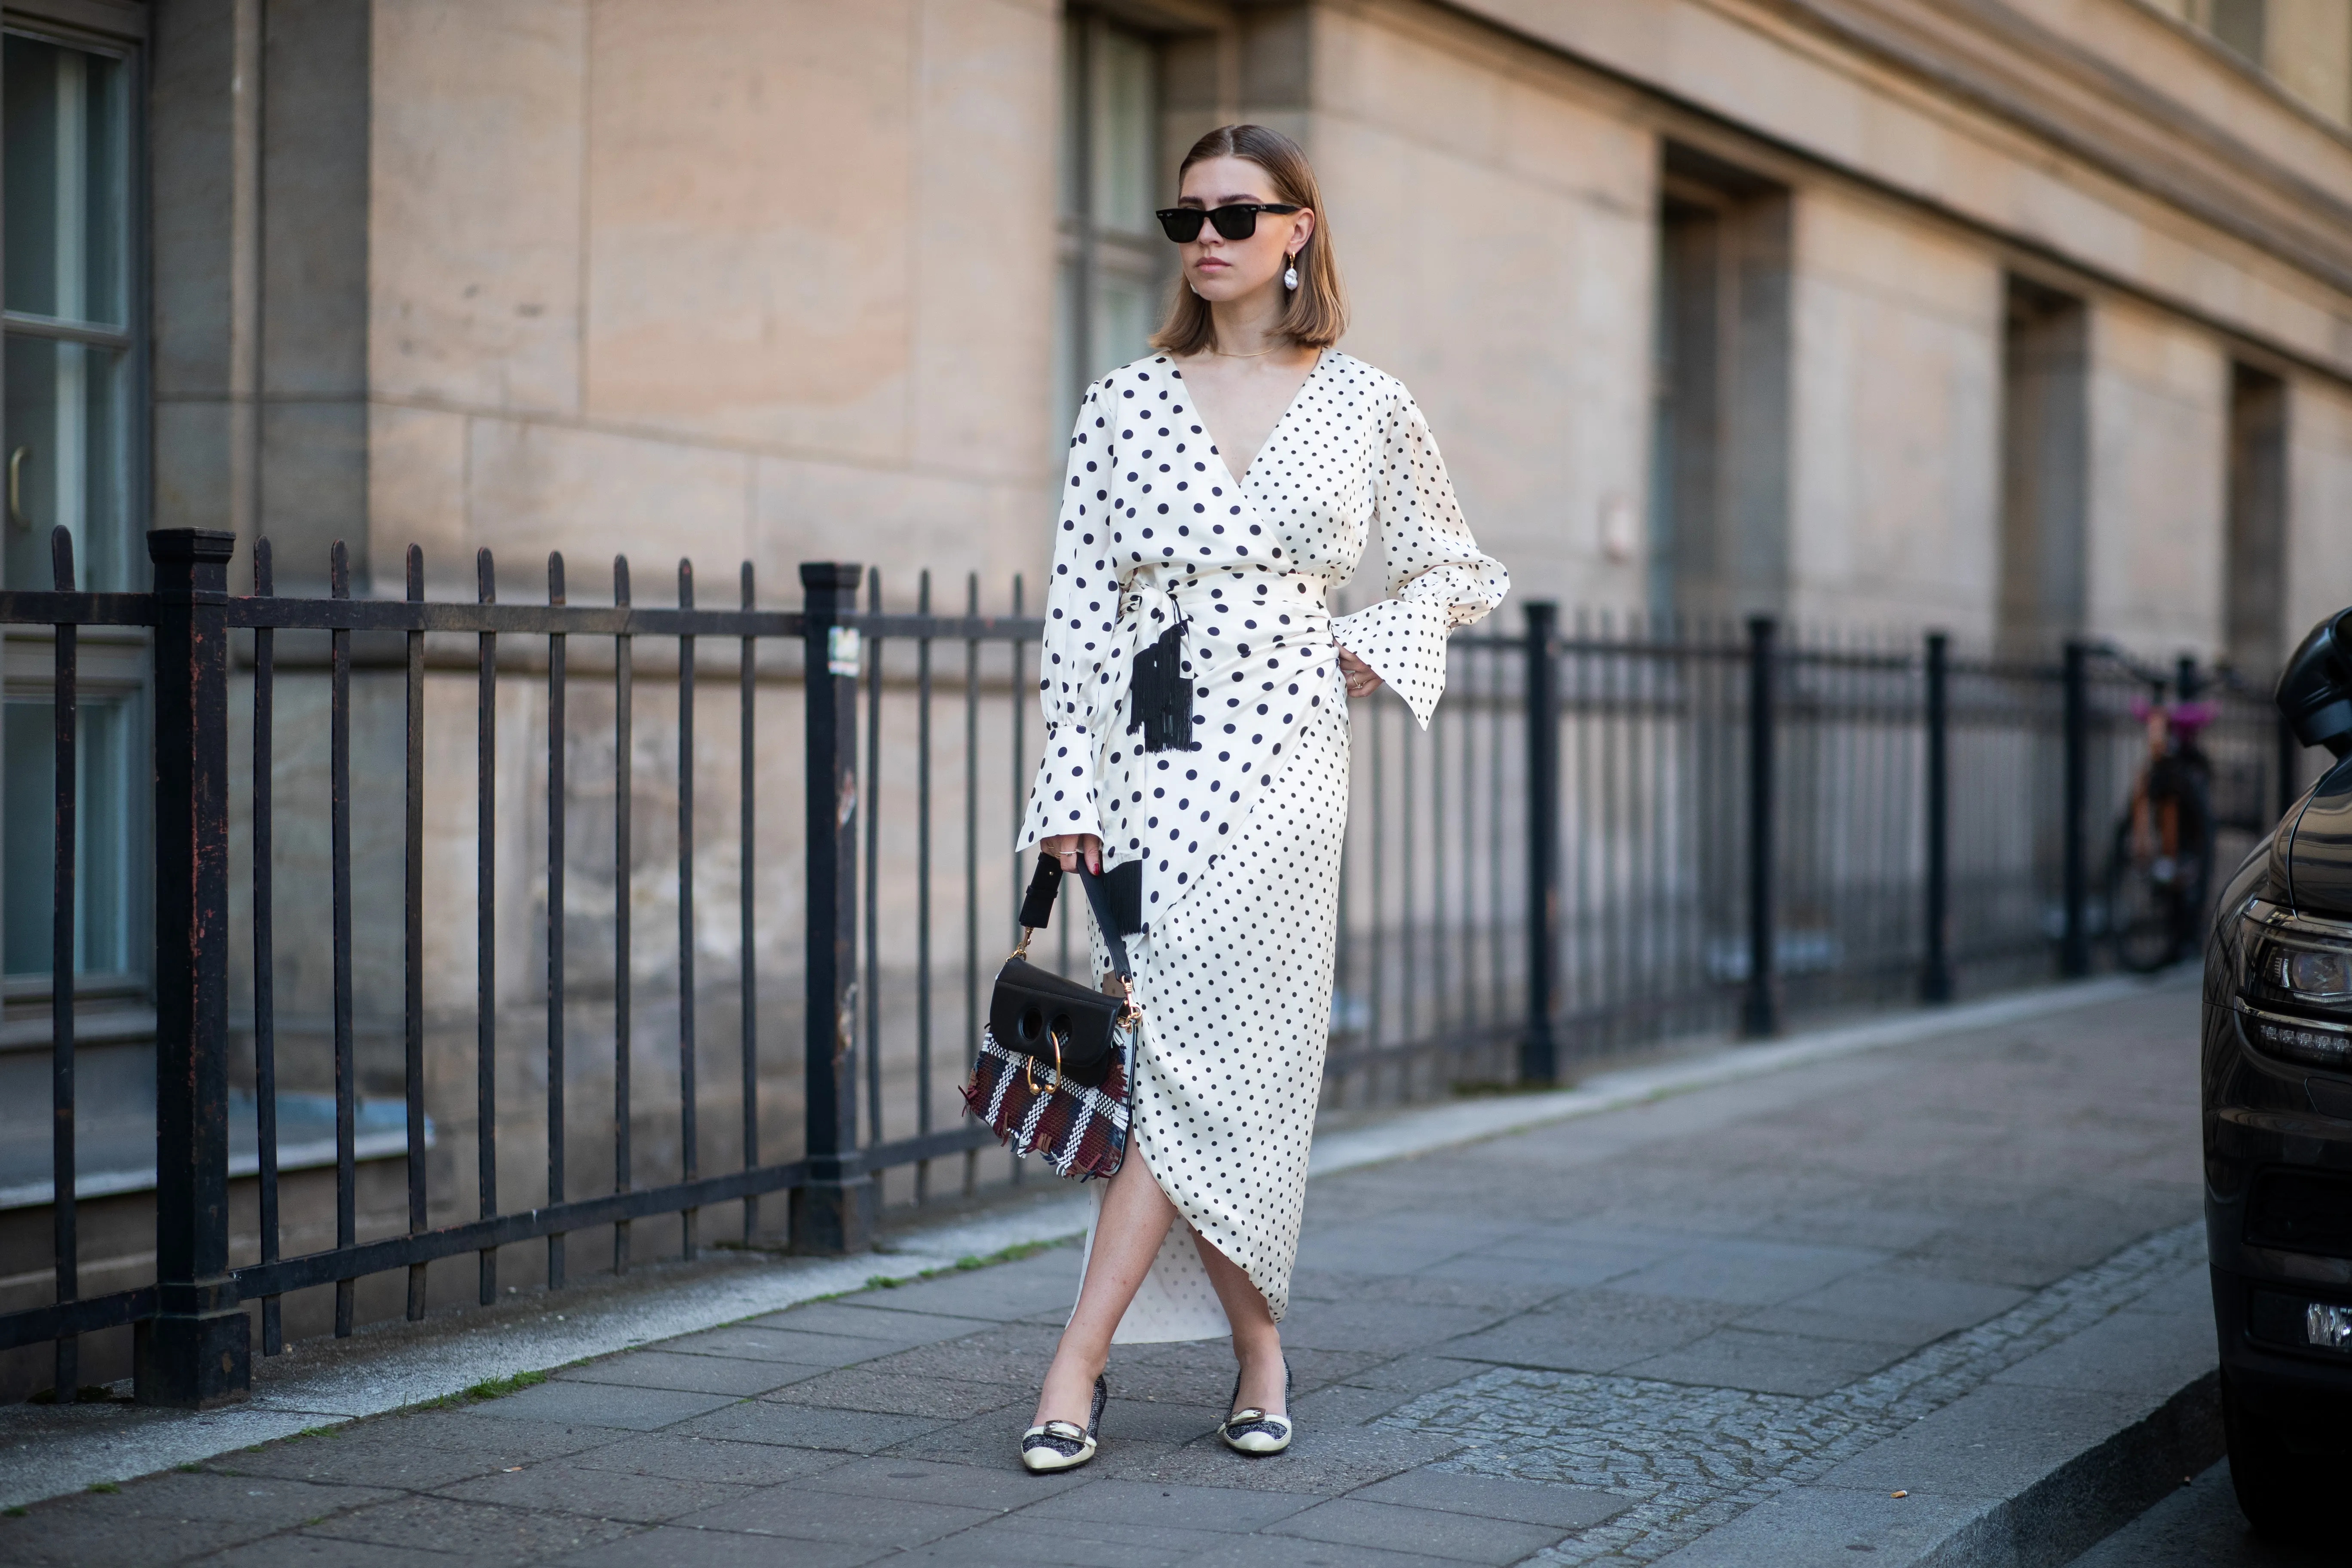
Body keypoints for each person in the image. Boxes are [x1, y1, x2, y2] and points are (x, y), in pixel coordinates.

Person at [1011, 123, 1508, 1473]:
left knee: (1215, 1058)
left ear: (1300, 228)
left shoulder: (1368, 404)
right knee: (1180, 1058)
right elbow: (1075, 619)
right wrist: (1069, 791)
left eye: (1237, 215)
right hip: (1150, 762)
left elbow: (1457, 569)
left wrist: (1371, 645)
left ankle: (1078, 1366)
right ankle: (1259, 1353)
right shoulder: (1121, 400)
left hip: (1288, 760)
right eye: (1188, 221)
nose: (1210, 239)